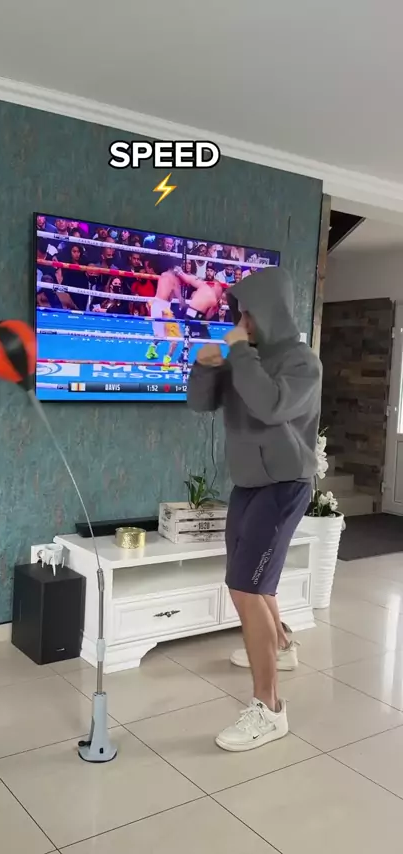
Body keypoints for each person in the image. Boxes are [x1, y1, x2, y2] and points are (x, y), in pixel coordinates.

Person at [187, 267, 321, 752]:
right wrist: (206, 367)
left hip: (284, 484)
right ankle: (280, 646)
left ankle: (270, 709)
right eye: (238, 312)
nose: (240, 320)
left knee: (246, 587)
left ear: (270, 311)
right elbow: (200, 403)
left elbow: (270, 406)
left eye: (247, 312)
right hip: (248, 484)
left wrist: (239, 353)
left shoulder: (302, 363)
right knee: (247, 583)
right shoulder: (244, 356)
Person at [145, 268, 184, 366]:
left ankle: (150, 351)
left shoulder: (163, 274)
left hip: (154, 305)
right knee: (175, 339)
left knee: (159, 334)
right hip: (164, 309)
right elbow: (179, 300)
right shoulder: (175, 280)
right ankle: (166, 363)